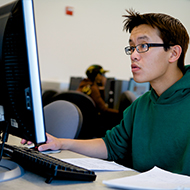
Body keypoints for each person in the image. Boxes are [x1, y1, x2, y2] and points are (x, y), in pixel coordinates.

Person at [22, 9, 190, 175]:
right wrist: (60, 143)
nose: (133, 55)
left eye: (143, 46)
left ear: (173, 53)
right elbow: (110, 146)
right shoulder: (141, 105)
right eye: (131, 47)